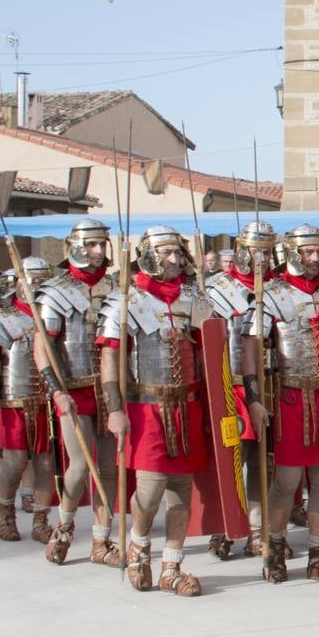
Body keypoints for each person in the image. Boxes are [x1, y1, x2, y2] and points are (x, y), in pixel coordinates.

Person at [99, 227, 212, 596]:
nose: (176, 260)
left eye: (179, 254)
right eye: (167, 254)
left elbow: (210, 353)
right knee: (148, 492)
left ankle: (172, 566)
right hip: (147, 407)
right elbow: (111, 357)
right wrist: (114, 409)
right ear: (148, 255)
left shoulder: (194, 299)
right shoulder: (126, 300)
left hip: (187, 406)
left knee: (181, 491)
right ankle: (139, 548)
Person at [246, 225, 319, 585]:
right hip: (292, 397)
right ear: (293, 253)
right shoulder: (272, 295)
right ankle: (274, 548)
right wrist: (253, 398)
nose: (315, 259)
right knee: (287, 480)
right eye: (307, 252)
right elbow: (251, 349)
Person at [34, 221, 121, 567]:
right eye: (94, 244)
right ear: (78, 246)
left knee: (109, 468)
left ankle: (101, 541)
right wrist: (57, 392)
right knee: (81, 465)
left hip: (109, 390)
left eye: (104, 243)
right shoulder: (55, 290)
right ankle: (65, 528)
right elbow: (44, 347)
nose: (101, 251)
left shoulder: (116, 287)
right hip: (74, 389)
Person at [204, 221, 278, 558]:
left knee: (264, 463)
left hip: (272, 384)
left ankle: (256, 530)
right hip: (228, 387)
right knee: (231, 461)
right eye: (255, 251)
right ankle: (224, 526)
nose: (261, 258)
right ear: (241, 250)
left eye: (267, 251)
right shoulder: (216, 288)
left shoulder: (279, 290)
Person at [0, 262, 58, 544]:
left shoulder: (51, 315)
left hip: (46, 399)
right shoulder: (3, 318)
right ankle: (6, 512)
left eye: (41, 281)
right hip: (14, 400)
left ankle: (40, 520)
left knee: (46, 464)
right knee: (14, 463)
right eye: (31, 281)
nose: (36, 287)